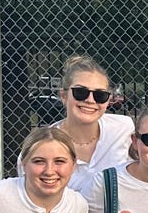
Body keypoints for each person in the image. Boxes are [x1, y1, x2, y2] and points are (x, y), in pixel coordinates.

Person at [56, 54, 134, 199]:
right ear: (63, 96)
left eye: (100, 95)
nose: (90, 100)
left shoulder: (123, 129)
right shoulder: (43, 144)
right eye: (80, 92)